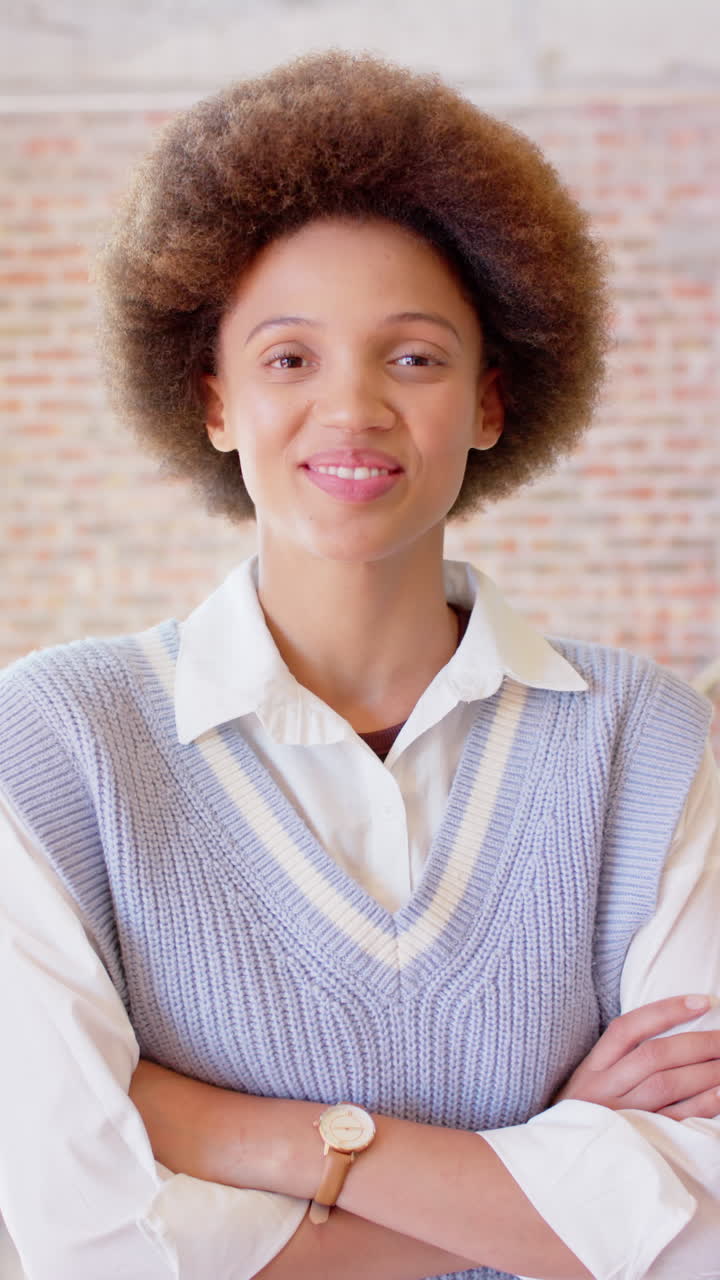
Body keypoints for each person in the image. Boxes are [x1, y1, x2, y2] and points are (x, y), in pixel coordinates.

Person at [0, 49, 719, 1280]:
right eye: (289, 358)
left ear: (492, 401)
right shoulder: (54, 742)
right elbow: (91, 1239)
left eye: (414, 357)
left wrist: (240, 1137)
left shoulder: (642, 737)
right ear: (214, 401)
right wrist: (561, 1166)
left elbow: (700, 1221)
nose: (353, 411)